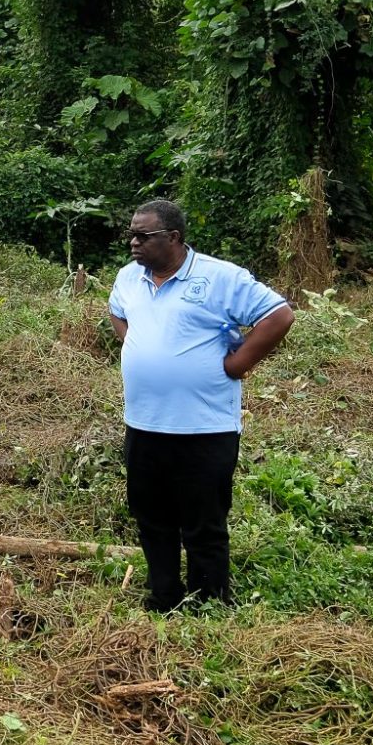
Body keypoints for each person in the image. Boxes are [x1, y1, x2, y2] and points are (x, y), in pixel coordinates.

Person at [107, 198, 294, 611]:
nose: (134, 243)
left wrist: (239, 362)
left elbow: (278, 315)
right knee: (152, 518)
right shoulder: (128, 277)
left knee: (203, 522)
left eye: (144, 236)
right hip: (144, 424)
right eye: (131, 235)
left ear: (173, 238)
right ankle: (165, 597)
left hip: (204, 428)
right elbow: (117, 311)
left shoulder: (219, 277)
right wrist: (135, 343)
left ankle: (209, 603)